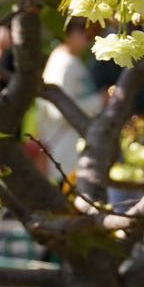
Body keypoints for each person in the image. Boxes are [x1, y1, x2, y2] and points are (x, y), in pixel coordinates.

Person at [39, 21, 104, 179]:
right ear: (70, 33)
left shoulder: (71, 59)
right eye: (83, 32)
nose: (87, 38)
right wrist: (100, 101)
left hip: (71, 145)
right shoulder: (63, 63)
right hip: (64, 148)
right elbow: (57, 110)